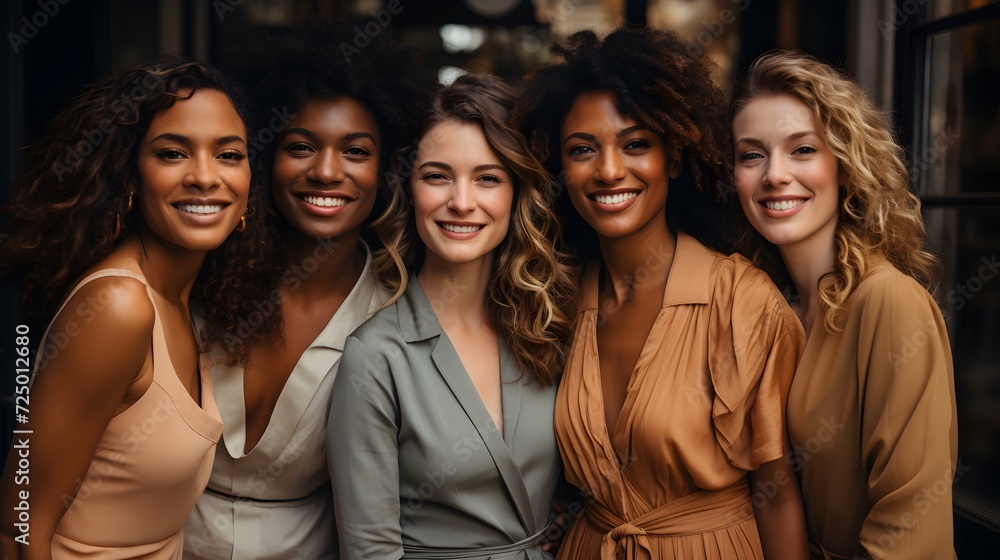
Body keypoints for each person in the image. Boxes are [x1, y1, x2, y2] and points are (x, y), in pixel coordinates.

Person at [514, 26, 808, 559]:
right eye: (582, 149)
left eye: (636, 144)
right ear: (560, 167)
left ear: (673, 158)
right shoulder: (557, 300)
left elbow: (778, 491)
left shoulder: (740, 299)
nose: (608, 170)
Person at [0, 56, 276, 559]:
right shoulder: (118, 307)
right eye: (173, 154)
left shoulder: (191, 297)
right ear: (130, 176)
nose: (204, 177)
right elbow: (20, 525)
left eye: (228, 155)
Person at [182, 18, 436, 560]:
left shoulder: (399, 311)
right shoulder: (196, 274)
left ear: (387, 170)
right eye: (301, 146)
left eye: (355, 151)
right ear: (265, 157)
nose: (326, 171)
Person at [328, 72, 576, 560]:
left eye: (488, 178)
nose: (462, 203)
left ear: (516, 194)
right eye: (437, 176)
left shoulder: (545, 328)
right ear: (409, 189)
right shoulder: (376, 356)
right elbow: (370, 550)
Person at [730, 50, 957, 560]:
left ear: (846, 165)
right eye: (751, 155)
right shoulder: (768, 303)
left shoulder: (888, 303)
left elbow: (910, 534)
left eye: (803, 149)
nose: (775, 175)